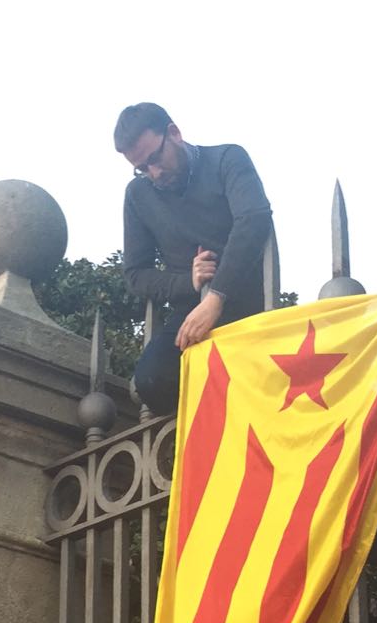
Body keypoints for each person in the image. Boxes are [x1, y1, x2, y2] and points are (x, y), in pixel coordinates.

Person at [115, 103, 276, 416]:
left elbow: (254, 219)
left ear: (174, 133)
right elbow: (135, 274)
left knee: (264, 384)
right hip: (190, 309)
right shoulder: (138, 195)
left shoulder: (227, 158)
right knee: (151, 379)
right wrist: (187, 283)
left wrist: (216, 298)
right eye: (142, 168)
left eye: (155, 158)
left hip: (249, 298)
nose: (154, 173)